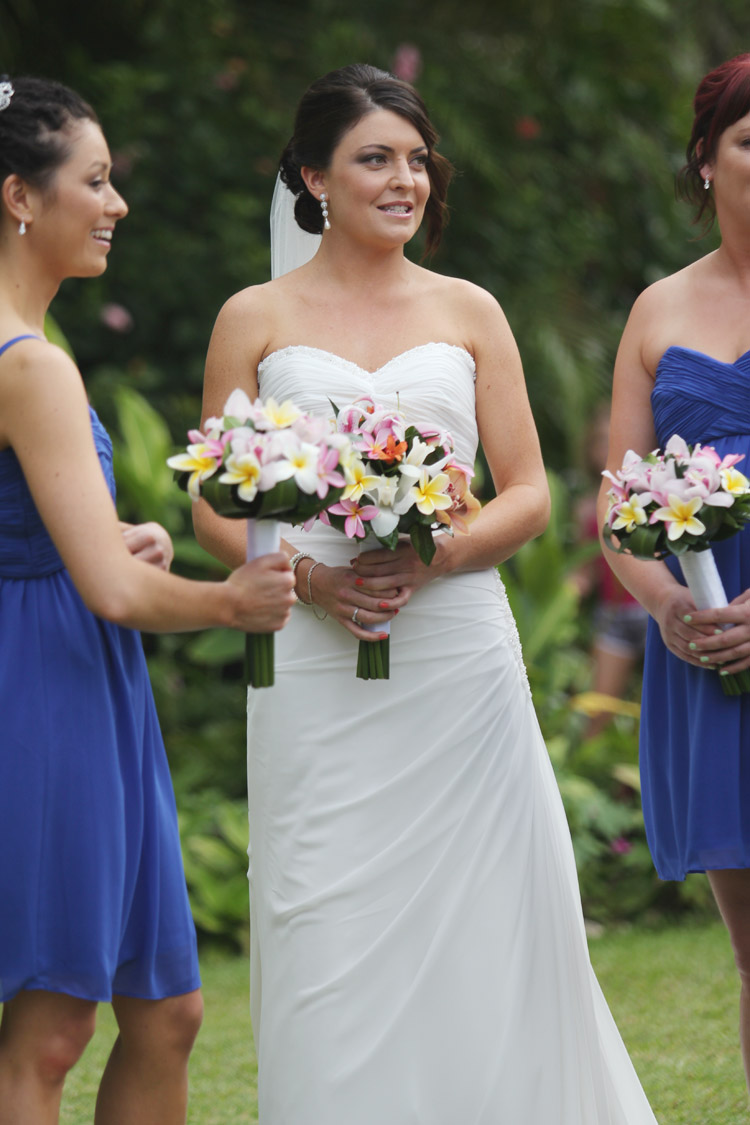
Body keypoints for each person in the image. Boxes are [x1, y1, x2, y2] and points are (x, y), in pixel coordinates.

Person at [195, 64, 658, 1123]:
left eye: (416, 160)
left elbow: (533, 493)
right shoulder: (254, 318)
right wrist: (307, 578)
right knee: (322, 911)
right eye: (374, 159)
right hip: (315, 657)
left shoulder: (469, 309)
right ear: (313, 176)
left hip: (455, 651)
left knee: (491, 906)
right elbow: (219, 503)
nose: (405, 180)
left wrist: (439, 551)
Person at [0, 76, 295, 1125]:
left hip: (77, 672)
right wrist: (233, 600)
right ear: (19, 198)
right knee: (49, 1027)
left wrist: (72, 538)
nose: (116, 202)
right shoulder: (27, 363)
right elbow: (117, 592)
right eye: (96, 178)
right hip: (45, 688)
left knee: (164, 1011)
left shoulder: (31, 349)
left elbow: (73, 548)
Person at [598, 52, 750, 1096]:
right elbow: (619, 505)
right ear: (706, 161)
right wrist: (664, 607)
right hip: (712, 656)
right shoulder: (657, 310)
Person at [573, 402, 647, 739]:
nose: (607, 447)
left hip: (652, 613)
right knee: (598, 709)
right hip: (612, 616)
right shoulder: (586, 507)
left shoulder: (650, 499)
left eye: (614, 439)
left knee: (658, 709)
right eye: (601, 440)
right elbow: (586, 567)